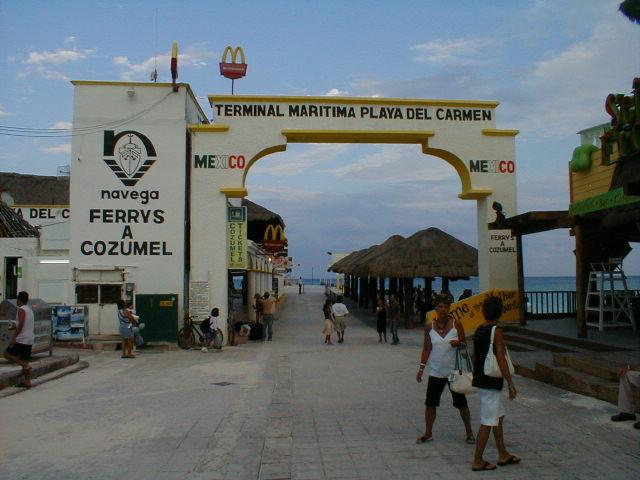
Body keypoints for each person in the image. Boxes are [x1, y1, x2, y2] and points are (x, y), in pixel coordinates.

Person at [416, 294, 474, 445]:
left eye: (446, 307)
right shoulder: (429, 326)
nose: (443, 309)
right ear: (435, 308)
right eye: (440, 306)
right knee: (430, 403)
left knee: (461, 403)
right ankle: (428, 432)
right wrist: (421, 369)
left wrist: (459, 344)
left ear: (450, 308)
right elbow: (427, 348)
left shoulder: (456, 324)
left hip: (453, 373)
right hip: (436, 372)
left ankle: (469, 432)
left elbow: (464, 347)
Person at [471, 296, 520, 471]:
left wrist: (476, 376)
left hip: (481, 379)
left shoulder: (479, 329)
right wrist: (510, 382)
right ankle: (478, 460)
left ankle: (503, 454)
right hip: (491, 381)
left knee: (497, 416)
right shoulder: (496, 331)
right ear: (500, 312)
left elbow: (475, 355)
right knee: (488, 421)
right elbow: (500, 357)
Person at [3, 291, 35, 388]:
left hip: (22, 338)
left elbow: (21, 323)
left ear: (19, 299)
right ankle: (27, 381)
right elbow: (23, 323)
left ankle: (25, 366)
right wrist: (13, 327)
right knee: (25, 359)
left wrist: (14, 337)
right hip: (29, 338)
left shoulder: (21, 309)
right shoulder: (29, 310)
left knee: (6, 354)